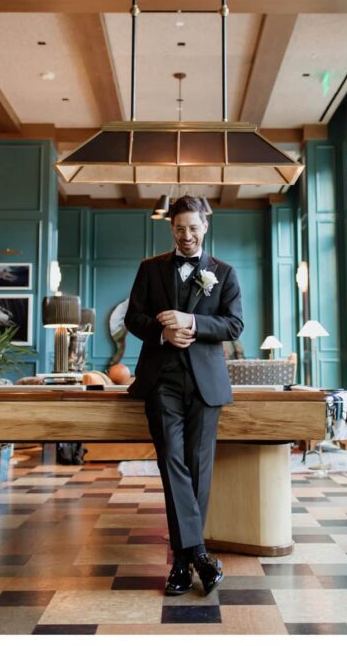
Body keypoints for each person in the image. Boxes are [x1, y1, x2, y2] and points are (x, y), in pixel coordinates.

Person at [124, 195, 243, 597]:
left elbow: (233, 325)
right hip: (162, 381)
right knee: (171, 460)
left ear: (204, 226)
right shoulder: (150, 269)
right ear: (170, 227)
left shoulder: (224, 273)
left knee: (198, 468)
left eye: (193, 227)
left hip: (206, 384)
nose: (187, 235)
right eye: (179, 228)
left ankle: (182, 561)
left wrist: (191, 321)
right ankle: (198, 556)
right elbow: (133, 317)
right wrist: (162, 333)